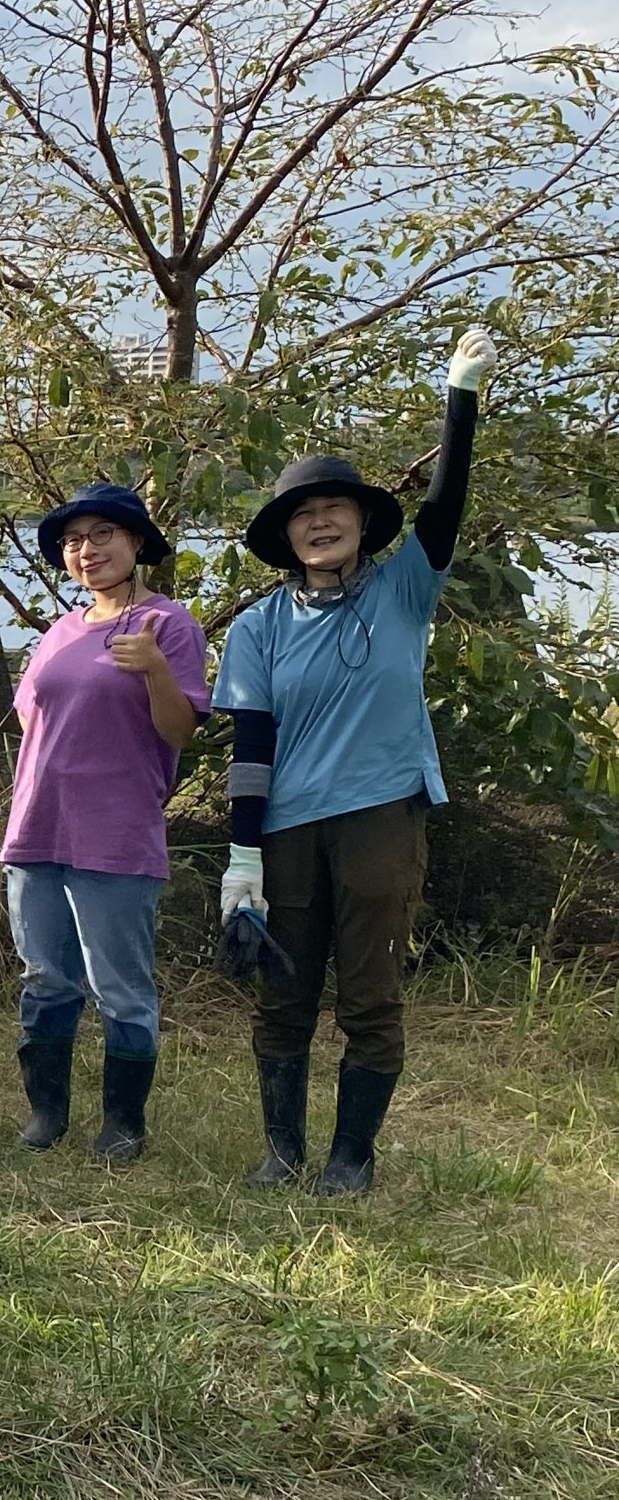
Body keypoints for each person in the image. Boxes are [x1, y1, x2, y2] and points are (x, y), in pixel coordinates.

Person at [213, 327, 495, 1194]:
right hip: (287, 825)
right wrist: (242, 854)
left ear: (364, 523)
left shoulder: (407, 587)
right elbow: (252, 746)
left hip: (381, 811)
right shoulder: (258, 625)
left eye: (335, 508)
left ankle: (352, 1155)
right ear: (286, 534)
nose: (321, 520)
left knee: (370, 993)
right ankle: (283, 1150)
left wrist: (462, 397)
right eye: (304, 513)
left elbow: (445, 507)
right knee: (282, 996)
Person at [0, 485, 208, 1159]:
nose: (87, 551)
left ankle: (123, 1123)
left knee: (119, 985)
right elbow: (33, 718)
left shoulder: (167, 626)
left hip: (116, 833)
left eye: (102, 536)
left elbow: (179, 729)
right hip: (38, 828)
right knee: (44, 976)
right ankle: (47, 1112)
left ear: (137, 543)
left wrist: (152, 672)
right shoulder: (59, 631)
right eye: (73, 541)